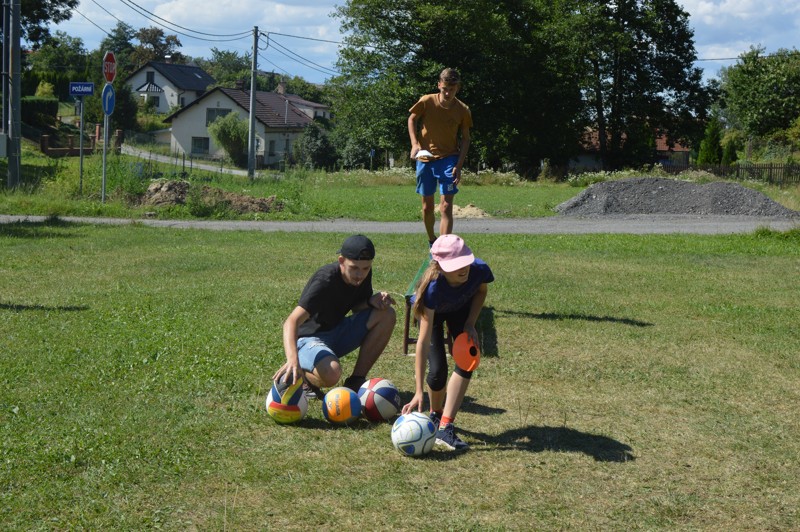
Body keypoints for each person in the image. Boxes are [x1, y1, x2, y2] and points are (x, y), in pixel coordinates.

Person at [272, 235, 396, 399]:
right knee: (332, 373)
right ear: (341, 260)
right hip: (308, 338)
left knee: (387, 314)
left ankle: (356, 381)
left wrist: (370, 301)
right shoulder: (325, 280)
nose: (360, 274)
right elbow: (291, 322)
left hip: (336, 331)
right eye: (354, 268)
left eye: (366, 268)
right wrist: (292, 359)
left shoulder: (362, 274)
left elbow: (356, 307)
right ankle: (298, 374)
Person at [402, 234, 494, 451]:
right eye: (456, 266)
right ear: (440, 266)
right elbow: (423, 343)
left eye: (465, 262)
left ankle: (446, 426)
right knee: (437, 372)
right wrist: (417, 391)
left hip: (460, 309)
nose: (464, 269)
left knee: (467, 359)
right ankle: (435, 415)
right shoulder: (432, 289)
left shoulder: (479, 269)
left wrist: (470, 323)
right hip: (434, 315)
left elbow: (481, 291)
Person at [408, 68, 473, 246]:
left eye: (451, 89)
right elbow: (412, 119)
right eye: (444, 88)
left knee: (446, 206)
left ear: (457, 88)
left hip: (449, 159)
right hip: (425, 159)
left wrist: (459, 165)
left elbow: (466, 139)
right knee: (427, 207)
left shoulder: (463, 110)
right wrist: (415, 144)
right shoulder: (427, 101)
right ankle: (432, 241)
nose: (447, 93)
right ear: (439, 85)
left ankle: (442, 248)